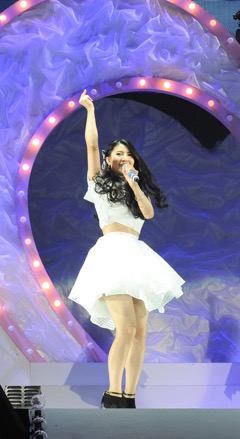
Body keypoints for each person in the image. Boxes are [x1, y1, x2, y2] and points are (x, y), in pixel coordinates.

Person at [69, 90, 185, 409]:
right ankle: (112, 391)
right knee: (126, 328)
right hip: (112, 257)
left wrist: (134, 183)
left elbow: (148, 213)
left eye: (128, 154)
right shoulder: (98, 183)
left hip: (136, 258)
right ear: (109, 159)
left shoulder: (136, 189)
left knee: (140, 332)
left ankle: (129, 395)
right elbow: (92, 145)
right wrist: (89, 110)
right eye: (118, 153)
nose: (124, 157)